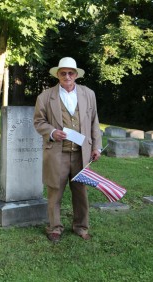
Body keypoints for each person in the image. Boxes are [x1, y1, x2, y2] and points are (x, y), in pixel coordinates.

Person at [34, 57, 102, 242]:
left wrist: (96, 146)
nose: (67, 76)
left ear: (76, 75)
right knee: (55, 190)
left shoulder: (88, 94)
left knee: (81, 192)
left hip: (82, 153)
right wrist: (52, 132)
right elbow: (38, 122)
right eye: (63, 73)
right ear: (58, 74)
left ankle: (81, 226)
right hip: (57, 153)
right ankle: (54, 227)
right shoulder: (46, 96)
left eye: (70, 73)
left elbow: (94, 121)